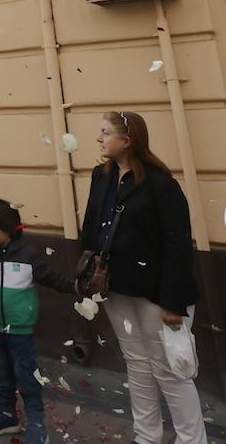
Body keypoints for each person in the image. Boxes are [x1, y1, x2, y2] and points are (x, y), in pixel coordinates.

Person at [79, 111, 205, 444]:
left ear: (128, 140)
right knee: (137, 366)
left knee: (170, 370)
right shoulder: (101, 176)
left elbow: (178, 244)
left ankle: (192, 440)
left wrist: (173, 301)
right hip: (116, 287)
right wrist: (90, 271)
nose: (99, 139)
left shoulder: (160, 183)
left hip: (157, 293)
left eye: (105, 133)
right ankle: (147, 436)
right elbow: (92, 224)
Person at [0, 198, 75, 444]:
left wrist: (75, 287)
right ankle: (7, 415)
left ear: (8, 229)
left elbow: (50, 278)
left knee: (26, 374)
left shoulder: (28, 256)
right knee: (1, 371)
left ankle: (36, 422)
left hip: (19, 330)